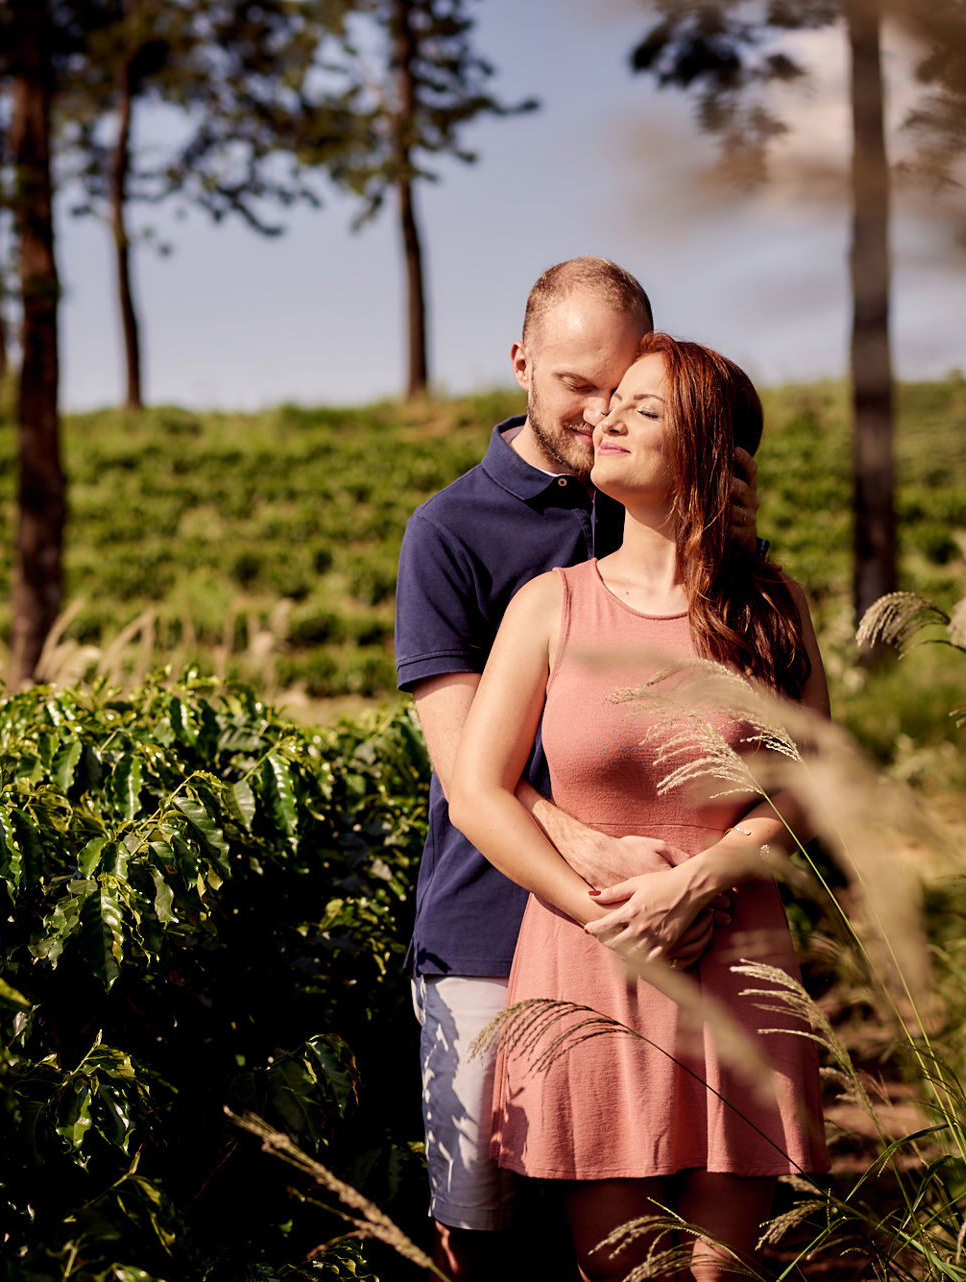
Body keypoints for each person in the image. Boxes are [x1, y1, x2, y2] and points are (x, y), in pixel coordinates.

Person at [393, 259, 757, 1278]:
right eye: (574, 386)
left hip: (665, 935)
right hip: (490, 937)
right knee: (492, 1242)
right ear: (521, 364)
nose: (601, 415)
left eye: (622, 386)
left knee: (652, 1237)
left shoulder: (652, 495)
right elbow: (473, 771)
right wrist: (615, 872)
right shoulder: (451, 533)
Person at [447, 334, 829, 1282]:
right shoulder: (549, 606)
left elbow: (809, 783)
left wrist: (703, 877)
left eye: (644, 408)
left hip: (737, 962)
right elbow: (478, 795)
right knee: (629, 1274)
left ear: (705, 451)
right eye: (613, 400)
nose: (608, 417)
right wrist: (611, 915)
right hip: (589, 970)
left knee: (720, 1276)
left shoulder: (772, 606)